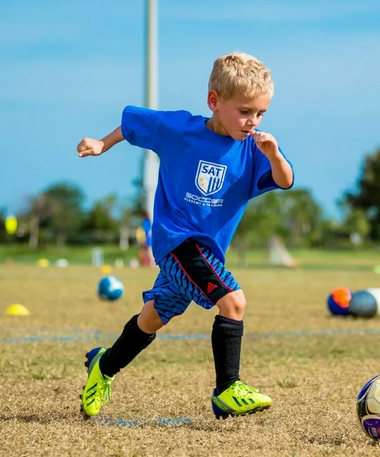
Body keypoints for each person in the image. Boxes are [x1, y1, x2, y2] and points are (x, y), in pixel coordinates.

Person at [76, 52, 294, 419]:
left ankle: (104, 365)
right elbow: (133, 125)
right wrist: (101, 143)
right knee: (234, 302)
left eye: (260, 113)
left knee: (153, 317)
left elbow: (285, 180)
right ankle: (227, 389)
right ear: (214, 101)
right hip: (176, 241)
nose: (252, 121)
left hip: (207, 252)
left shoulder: (254, 150)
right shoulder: (180, 130)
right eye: (244, 111)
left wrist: (273, 155)